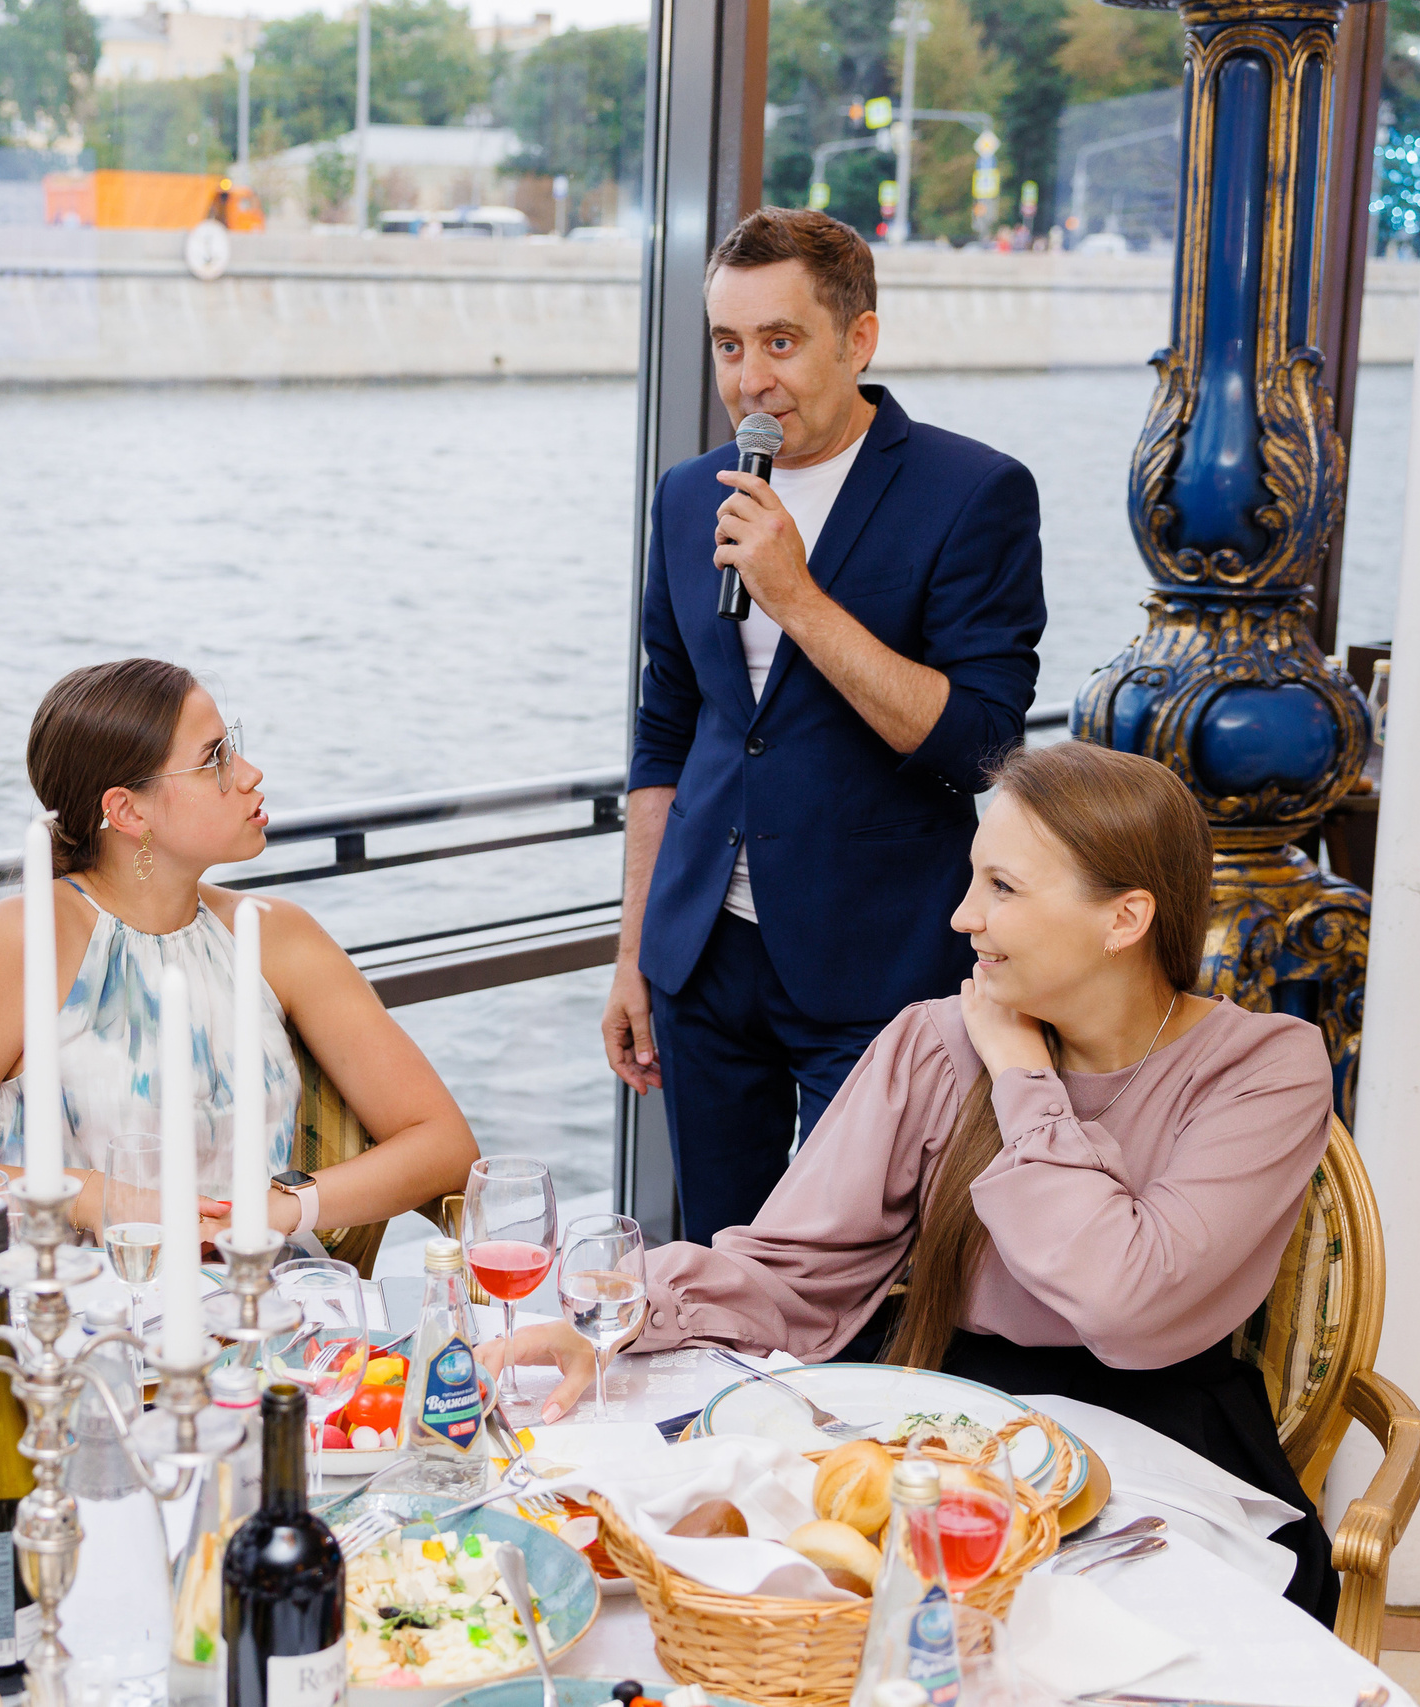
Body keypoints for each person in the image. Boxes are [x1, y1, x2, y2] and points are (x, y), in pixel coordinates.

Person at [499, 742, 1339, 1619]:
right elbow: (794, 1269)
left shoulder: (1263, 1068)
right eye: (975, 880)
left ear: (1124, 918)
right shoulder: (934, 1042)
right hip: (947, 1416)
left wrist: (1022, 1079)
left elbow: (1126, 1300)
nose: (962, 917)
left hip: (1166, 1427)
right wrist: (623, 1311)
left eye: (1003, 888)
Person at [604, 207, 1045, 1242]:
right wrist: (632, 956)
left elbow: (980, 745)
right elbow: (663, 736)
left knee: (863, 1264)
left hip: (878, 963)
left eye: (781, 341)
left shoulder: (971, 491)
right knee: (720, 1254)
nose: (749, 379)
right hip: (704, 957)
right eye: (728, 344)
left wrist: (794, 594)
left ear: (858, 340)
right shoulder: (686, 499)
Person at [0, 658, 478, 1246]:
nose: (250, 773)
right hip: (61, 1315)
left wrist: (283, 1207)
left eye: (233, 747)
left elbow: (444, 1144)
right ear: (127, 810)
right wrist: (105, 1198)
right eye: (214, 760)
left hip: (252, 1312)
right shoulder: (25, 939)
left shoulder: (277, 936)